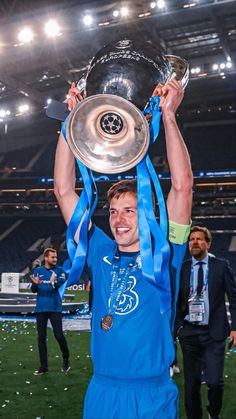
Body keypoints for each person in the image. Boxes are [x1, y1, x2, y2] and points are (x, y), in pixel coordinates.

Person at [54, 79, 193, 419]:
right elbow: (63, 190)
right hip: (103, 391)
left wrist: (169, 116)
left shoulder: (166, 252)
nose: (118, 220)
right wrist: (69, 124)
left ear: (145, 214)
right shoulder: (99, 249)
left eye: (129, 210)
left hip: (151, 395)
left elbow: (182, 187)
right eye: (114, 211)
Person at [175, 225, 236, 419]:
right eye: (192, 239)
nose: (195, 242)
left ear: (208, 243)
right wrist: (177, 327)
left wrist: (235, 327)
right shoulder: (182, 269)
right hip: (190, 333)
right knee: (191, 384)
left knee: (214, 381)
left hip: (214, 333)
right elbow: (175, 301)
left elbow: (233, 298)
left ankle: (213, 413)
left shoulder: (221, 266)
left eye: (199, 239)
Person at [31, 247, 70, 375]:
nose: (55, 259)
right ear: (46, 258)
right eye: (53, 257)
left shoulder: (60, 271)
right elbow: (33, 290)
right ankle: (43, 367)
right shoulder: (38, 271)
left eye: (56, 257)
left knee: (59, 335)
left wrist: (53, 283)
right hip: (41, 308)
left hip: (54, 308)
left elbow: (57, 286)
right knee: (41, 338)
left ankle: (66, 359)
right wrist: (35, 284)